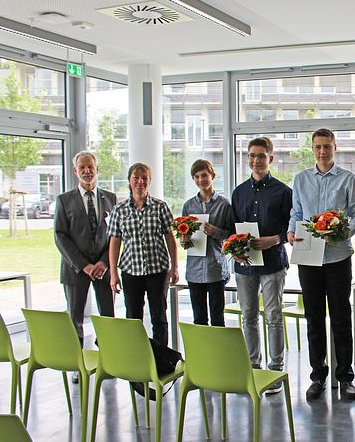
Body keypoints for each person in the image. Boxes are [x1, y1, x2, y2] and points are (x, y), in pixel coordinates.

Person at [287, 128, 355, 401]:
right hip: (308, 257)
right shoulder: (301, 179)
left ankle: (345, 378)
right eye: (318, 146)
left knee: (341, 318)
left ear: (335, 147)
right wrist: (290, 232)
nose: (322, 151)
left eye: (327, 146)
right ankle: (318, 375)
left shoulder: (348, 179)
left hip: (338, 256)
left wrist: (341, 231)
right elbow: (296, 212)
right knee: (314, 319)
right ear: (312, 148)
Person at [231, 137, 292, 395]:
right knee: (248, 317)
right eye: (252, 155)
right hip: (245, 265)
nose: (256, 160)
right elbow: (233, 228)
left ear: (271, 159)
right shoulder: (239, 192)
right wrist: (234, 251)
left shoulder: (283, 192)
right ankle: (253, 367)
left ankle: (275, 371)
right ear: (248, 158)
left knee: (274, 317)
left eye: (261, 156)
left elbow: (291, 228)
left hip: (273, 264)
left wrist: (275, 239)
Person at [54, 151, 117, 383]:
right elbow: (60, 237)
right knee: (75, 318)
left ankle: (109, 362)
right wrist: (84, 266)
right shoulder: (64, 200)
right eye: (82, 168)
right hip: (75, 270)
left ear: (97, 169)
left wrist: (102, 262)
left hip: (104, 268)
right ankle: (77, 365)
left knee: (108, 316)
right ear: (75, 171)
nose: (87, 171)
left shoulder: (110, 198)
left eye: (90, 167)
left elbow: (115, 235)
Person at [108, 163, 179, 346]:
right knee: (133, 318)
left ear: (150, 181)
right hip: (131, 271)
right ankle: (137, 359)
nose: (140, 181)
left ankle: (161, 359)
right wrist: (114, 274)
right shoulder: (120, 209)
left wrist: (175, 267)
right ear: (129, 181)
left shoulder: (160, 207)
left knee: (159, 316)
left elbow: (170, 238)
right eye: (136, 177)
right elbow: (115, 242)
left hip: (158, 270)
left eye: (144, 178)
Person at [181, 159, 232, 327]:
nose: (200, 180)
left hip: (215, 268)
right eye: (196, 176)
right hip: (194, 271)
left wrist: (215, 232)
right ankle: (202, 353)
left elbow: (231, 235)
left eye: (204, 175)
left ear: (213, 176)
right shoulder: (188, 206)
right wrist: (184, 240)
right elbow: (184, 240)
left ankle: (218, 354)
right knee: (199, 319)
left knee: (218, 319)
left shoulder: (224, 205)